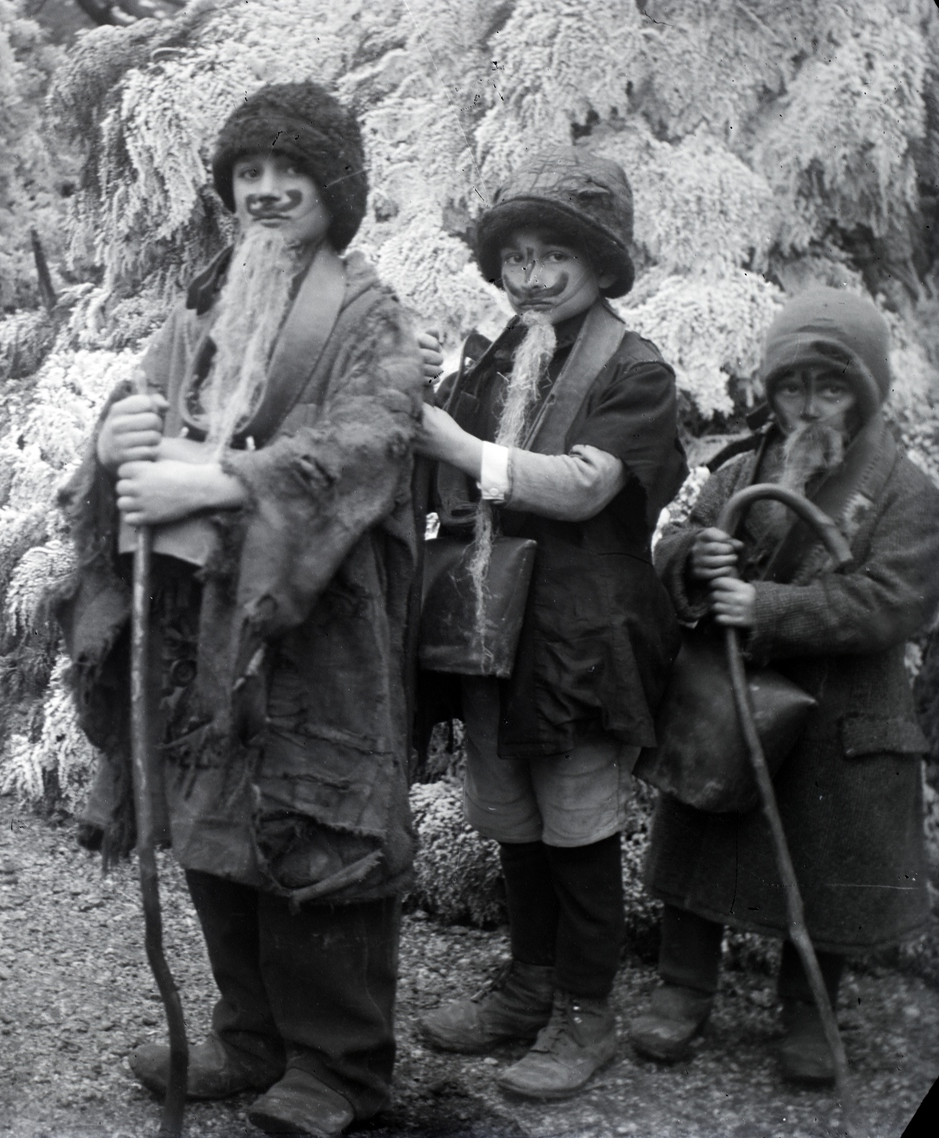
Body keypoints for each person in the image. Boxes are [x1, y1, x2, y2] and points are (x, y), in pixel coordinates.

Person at [54, 81, 425, 1136]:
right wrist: (116, 435)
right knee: (213, 816)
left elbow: (372, 440)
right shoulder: (207, 300)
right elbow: (139, 395)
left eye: (288, 172)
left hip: (317, 625)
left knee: (317, 824)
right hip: (201, 620)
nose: (264, 191)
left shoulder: (368, 313)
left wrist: (222, 484)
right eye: (247, 173)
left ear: (333, 187)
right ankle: (249, 1033)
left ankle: (340, 1066)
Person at [412, 146, 686, 1100]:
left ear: (601, 264)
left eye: (553, 256)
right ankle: (526, 988)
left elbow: (584, 489)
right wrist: (427, 398)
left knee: (578, 831)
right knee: (515, 825)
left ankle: (585, 1013)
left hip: (582, 638)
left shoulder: (636, 371)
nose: (530, 278)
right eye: (516, 257)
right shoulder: (495, 356)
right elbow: (438, 475)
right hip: (495, 634)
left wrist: (458, 443)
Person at [631, 288, 939, 1083]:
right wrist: (696, 559)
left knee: (823, 868)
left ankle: (809, 1014)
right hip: (729, 699)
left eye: (831, 389)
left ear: (865, 392)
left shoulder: (904, 490)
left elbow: (895, 600)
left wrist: (769, 606)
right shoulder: (736, 465)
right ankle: (682, 990)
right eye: (792, 386)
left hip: (842, 716)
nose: (809, 406)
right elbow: (672, 533)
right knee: (701, 835)